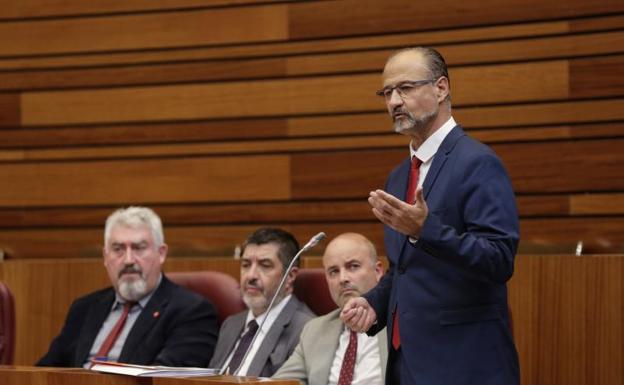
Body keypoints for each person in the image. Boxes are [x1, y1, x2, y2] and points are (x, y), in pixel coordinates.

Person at [340, 47, 520, 385]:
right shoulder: (398, 176)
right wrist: (375, 302)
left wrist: (427, 231)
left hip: (465, 365)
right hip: (406, 365)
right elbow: (405, 269)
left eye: (405, 88)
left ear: (441, 88)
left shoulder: (477, 162)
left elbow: (499, 259)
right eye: (387, 92)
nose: (393, 101)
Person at [37, 206, 219, 368]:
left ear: (161, 253)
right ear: (105, 256)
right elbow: (46, 371)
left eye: (139, 248)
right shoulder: (85, 308)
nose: (129, 260)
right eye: (118, 249)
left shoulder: (192, 311)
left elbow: (164, 379)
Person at [274, 232, 387, 385]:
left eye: (353, 266)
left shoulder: (401, 324)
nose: (343, 279)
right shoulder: (314, 330)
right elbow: (280, 382)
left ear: (378, 271)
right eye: (334, 271)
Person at [209, 227, 315, 376]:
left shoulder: (307, 330)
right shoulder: (231, 325)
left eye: (265, 265)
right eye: (246, 265)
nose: (251, 275)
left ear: (290, 276)